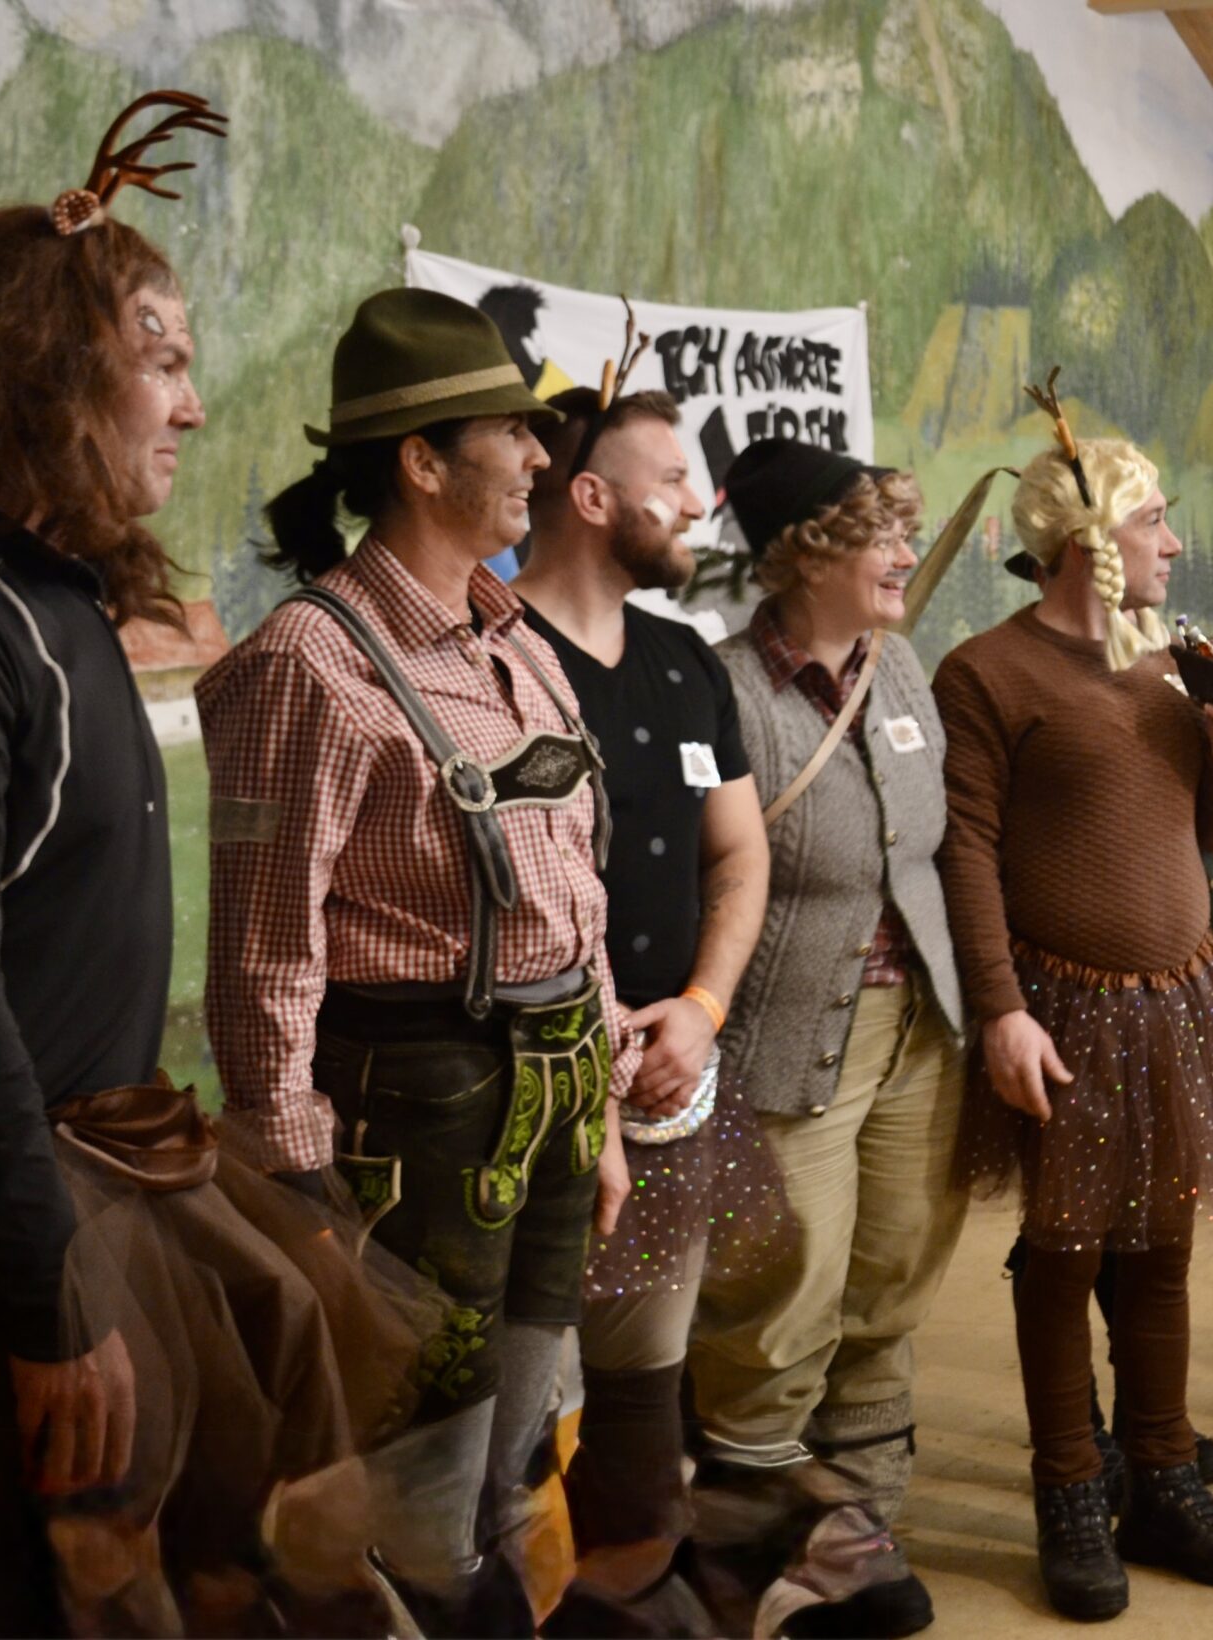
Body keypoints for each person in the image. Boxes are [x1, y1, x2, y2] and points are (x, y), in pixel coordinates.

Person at [0, 93, 438, 1636]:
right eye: (166, 361)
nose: (194, 408)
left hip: (109, 1180)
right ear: (50, 367)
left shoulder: (53, 597)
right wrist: (49, 1298)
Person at [199, 286, 647, 1630]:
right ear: (421, 461)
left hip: (554, 1085)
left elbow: (576, 893)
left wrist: (599, 1107)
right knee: (420, 1464)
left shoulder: (517, 643)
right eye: (513, 432)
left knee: (522, 1432)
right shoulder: (312, 658)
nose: (540, 457)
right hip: (419, 1104)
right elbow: (264, 945)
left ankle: (503, 1598)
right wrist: (296, 1182)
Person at [934, 420, 1213, 1624]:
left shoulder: (1167, 666)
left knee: (1162, 1245)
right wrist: (999, 1009)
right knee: (1067, 1248)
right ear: (1090, 539)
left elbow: (1199, 831)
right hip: (1063, 1004)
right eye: (1152, 520)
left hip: (1175, 997)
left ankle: (1163, 1473)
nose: (1173, 542)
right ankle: (1070, 1486)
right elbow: (967, 852)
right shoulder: (987, 674)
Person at [503, 385, 790, 1633]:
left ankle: (635, 1601)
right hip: (525, 1107)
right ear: (589, 496)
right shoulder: (492, 655)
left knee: (640, 1384)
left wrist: (703, 1009)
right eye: (669, 477)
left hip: (672, 1089)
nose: (696, 499)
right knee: (507, 1407)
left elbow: (739, 853)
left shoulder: (684, 662)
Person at [675, 437, 969, 1638]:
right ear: (803, 555)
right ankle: (746, 1560)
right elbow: (698, 869)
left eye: (903, 531)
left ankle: (857, 1540)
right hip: (783, 1039)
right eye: (877, 535)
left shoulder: (900, 671)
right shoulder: (721, 689)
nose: (905, 552)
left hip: (919, 1032)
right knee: (777, 1306)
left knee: (891, 1282)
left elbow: (935, 848)